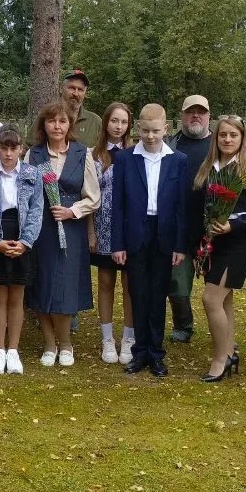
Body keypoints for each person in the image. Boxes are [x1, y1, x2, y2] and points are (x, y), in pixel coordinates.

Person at [111, 104, 189, 378]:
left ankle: (156, 353)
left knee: (158, 295)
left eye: (156, 131)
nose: (150, 136)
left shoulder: (178, 160)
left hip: (164, 234)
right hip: (135, 233)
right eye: (145, 131)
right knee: (138, 293)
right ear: (138, 129)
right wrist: (118, 243)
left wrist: (180, 245)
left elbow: (182, 206)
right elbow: (117, 204)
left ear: (166, 129)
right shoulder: (125, 158)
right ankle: (139, 351)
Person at [191, 115, 246, 381]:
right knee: (224, 299)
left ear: (242, 138)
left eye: (233, 135)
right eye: (223, 135)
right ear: (216, 137)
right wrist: (200, 244)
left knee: (210, 298)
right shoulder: (208, 167)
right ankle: (230, 350)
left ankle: (220, 358)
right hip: (213, 241)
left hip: (238, 241)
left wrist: (233, 225)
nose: (227, 139)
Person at [25, 101, 101, 367]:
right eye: (51, 121)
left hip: (71, 227)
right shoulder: (34, 155)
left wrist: (72, 211)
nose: (56, 126)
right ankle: (48, 343)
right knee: (41, 282)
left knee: (66, 286)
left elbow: (93, 197)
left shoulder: (82, 153)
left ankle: (66, 343)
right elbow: (24, 192)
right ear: (43, 125)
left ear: (70, 125)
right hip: (40, 227)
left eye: (62, 121)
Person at [0, 124, 44, 375]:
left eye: (14, 148)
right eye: (4, 148)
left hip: (21, 234)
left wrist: (25, 242)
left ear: (21, 149)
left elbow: (36, 210)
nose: (9, 154)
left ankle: (13, 350)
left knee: (17, 295)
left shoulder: (32, 174)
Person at [88, 102, 136, 364]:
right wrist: (91, 232)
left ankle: (129, 337)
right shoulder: (94, 155)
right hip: (102, 228)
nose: (118, 127)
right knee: (106, 284)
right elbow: (89, 196)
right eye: (114, 121)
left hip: (128, 229)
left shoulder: (135, 154)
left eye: (124, 122)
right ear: (106, 122)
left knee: (130, 286)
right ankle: (107, 339)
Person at [166, 95, 212, 343]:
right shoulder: (170, 145)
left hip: (212, 226)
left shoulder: (219, 144)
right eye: (190, 112)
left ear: (208, 116)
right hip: (180, 226)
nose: (196, 116)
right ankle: (183, 324)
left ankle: (222, 328)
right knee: (177, 282)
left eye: (200, 112)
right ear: (182, 116)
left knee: (216, 284)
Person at [61, 69, 102, 148]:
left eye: (80, 89)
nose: (76, 94)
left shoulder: (95, 122)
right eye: (72, 88)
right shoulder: (49, 117)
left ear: (85, 93)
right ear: (61, 88)